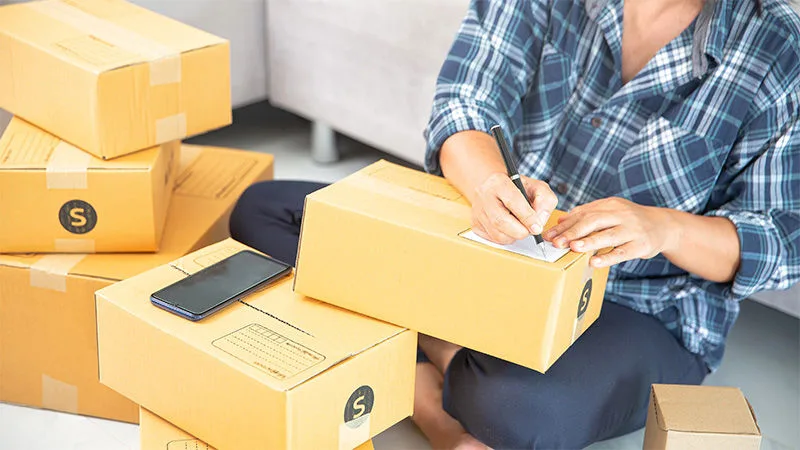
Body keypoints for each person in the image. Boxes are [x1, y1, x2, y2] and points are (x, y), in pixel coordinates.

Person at [229, 0, 800, 447]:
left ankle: (415, 353)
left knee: (521, 410)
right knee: (266, 212)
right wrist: (487, 186)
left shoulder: (778, 45)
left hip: (639, 307)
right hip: (490, 251)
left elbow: (782, 239)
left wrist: (663, 228)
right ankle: (434, 386)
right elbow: (466, 98)